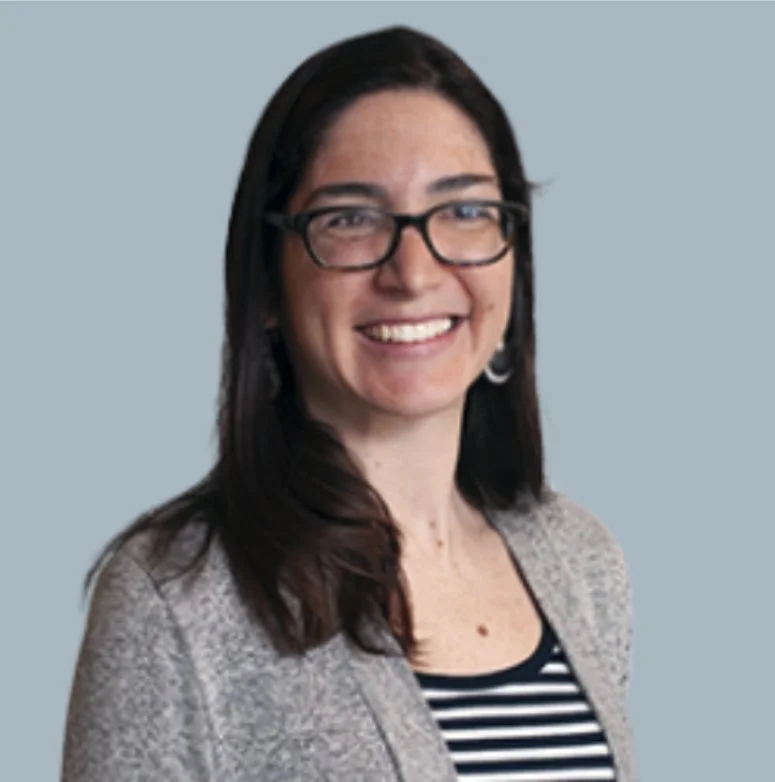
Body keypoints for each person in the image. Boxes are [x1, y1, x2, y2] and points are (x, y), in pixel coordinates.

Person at [62, 25, 637, 782]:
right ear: (268, 285)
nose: (413, 271)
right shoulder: (176, 598)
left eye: (463, 211)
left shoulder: (579, 560)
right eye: (349, 218)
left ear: (512, 261)